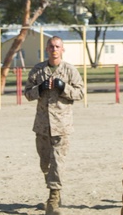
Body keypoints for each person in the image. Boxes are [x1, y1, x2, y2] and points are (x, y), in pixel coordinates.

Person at [24, 36, 84, 215]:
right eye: (51, 46)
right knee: (45, 163)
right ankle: (54, 189)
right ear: (46, 49)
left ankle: (53, 199)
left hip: (62, 125)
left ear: (62, 49)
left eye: (57, 46)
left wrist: (63, 87)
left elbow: (80, 93)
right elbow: (27, 93)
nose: (54, 49)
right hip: (42, 126)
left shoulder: (70, 70)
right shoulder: (38, 70)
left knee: (58, 162)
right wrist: (39, 89)